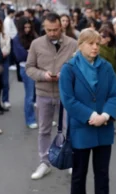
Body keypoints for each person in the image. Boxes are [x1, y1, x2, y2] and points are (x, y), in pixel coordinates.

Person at [59, 28, 116, 194]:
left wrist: (106, 115)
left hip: (103, 128)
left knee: (102, 174)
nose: (95, 47)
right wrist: (91, 114)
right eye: (90, 43)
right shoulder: (69, 68)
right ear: (81, 44)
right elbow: (68, 99)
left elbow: (114, 94)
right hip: (81, 129)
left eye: (97, 43)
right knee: (79, 174)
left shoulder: (106, 67)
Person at [26, 13, 78, 180]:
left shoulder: (72, 44)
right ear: (44, 28)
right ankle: (45, 162)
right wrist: (43, 75)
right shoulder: (36, 44)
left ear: (61, 27)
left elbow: (80, 67)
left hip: (66, 94)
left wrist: (66, 74)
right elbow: (29, 68)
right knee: (44, 129)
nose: (53, 33)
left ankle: (70, 160)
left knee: (68, 129)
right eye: (49, 30)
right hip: (44, 92)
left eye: (55, 30)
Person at [12, 17, 38, 128]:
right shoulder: (16, 39)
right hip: (26, 68)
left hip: (38, 67)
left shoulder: (34, 36)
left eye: (29, 27)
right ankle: (30, 119)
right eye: (25, 27)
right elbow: (20, 56)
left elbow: (41, 51)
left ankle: (42, 117)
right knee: (30, 96)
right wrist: (31, 53)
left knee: (40, 95)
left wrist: (29, 52)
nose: (27, 29)